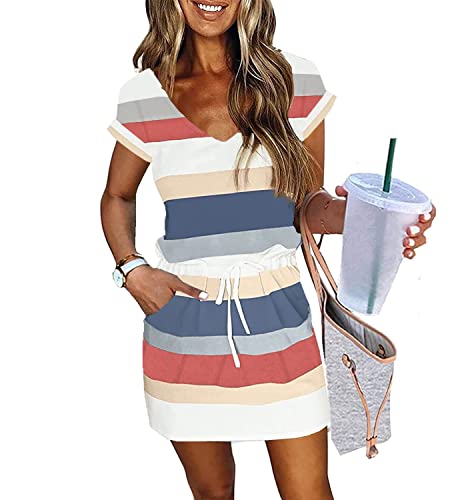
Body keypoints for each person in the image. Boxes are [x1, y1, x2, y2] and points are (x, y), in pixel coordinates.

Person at [100, 1, 436, 498]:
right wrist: (131, 269)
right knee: (213, 493)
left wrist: (366, 220)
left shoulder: (296, 81)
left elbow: (308, 205)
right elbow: (117, 195)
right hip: (184, 330)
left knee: (308, 493)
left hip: (281, 325)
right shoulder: (144, 95)